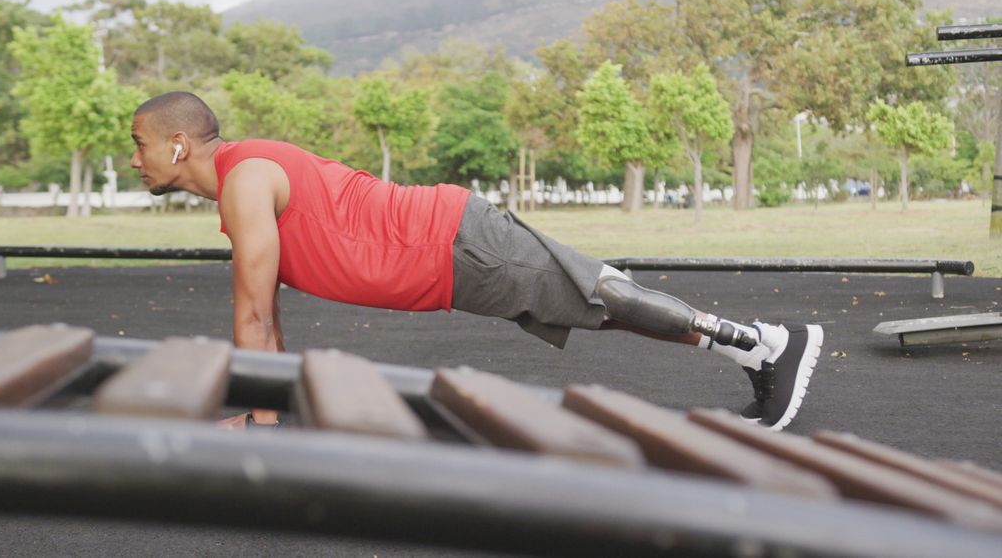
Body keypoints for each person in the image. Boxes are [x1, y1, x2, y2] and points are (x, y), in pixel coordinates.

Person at [130, 91, 823, 431]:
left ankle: (766, 344)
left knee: (596, 293)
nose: (135, 160)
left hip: (450, 239)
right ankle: (757, 351)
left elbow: (253, 314)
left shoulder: (248, 178)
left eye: (140, 144)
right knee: (595, 304)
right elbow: (264, 318)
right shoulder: (244, 185)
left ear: (180, 144)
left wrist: (259, 420)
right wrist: (266, 414)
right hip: (448, 258)